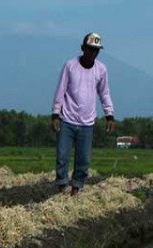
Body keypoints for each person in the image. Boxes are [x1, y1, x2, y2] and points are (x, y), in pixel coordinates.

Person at [51, 32, 115, 196]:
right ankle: (61, 187)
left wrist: (109, 115)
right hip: (67, 119)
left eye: (96, 50)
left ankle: (76, 189)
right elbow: (61, 89)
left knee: (83, 159)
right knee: (62, 156)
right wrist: (55, 114)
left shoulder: (101, 69)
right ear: (83, 49)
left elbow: (104, 93)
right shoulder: (70, 66)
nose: (93, 53)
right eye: (90, 49)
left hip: (87, 122)